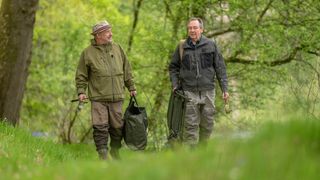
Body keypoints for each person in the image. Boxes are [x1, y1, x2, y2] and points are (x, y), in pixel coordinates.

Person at [75, 20, 136, 160]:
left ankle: (115, 150)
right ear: (98, 35)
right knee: (100, 126)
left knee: (117, 127)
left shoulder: (118, 48)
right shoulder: (87, 53)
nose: (111, 34)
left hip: (117, 97)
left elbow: (127, 69)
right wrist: (81, 92)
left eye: (110, 31)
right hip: (98, 97)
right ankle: (102, 153)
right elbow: (81, 75)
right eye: (107, 32)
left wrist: (131, 87)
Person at [169, 17, 229, 147]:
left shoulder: (211, 45)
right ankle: (192, 156)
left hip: (208, 91)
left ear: (201, 29)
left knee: (207, 124)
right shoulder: (182, 47)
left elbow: (220, 67)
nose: (192, 30)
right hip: (189, 92)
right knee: (190, 125)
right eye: (190, 28)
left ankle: (202, 150)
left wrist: (225, 89)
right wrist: (175, 84)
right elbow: (173, 67)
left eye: (195, 28)